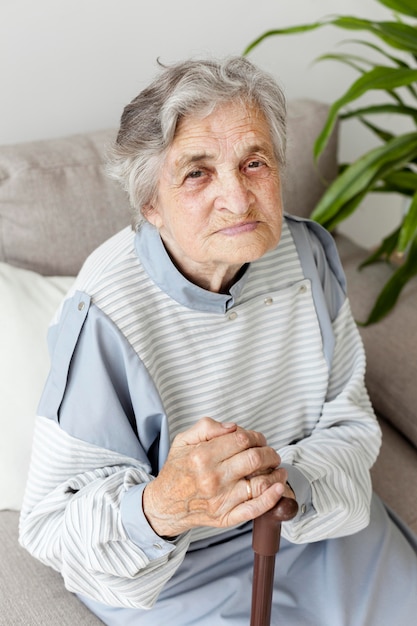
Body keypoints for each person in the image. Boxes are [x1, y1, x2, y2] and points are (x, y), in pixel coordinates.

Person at [19, 56, 417, 626]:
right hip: (179, 574)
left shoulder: (305, 257)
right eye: (197, 173)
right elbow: (52, 522)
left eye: (254, 163)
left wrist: (287, 484)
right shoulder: (106, 311)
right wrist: (166, 506)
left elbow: (348, 422)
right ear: (150, 205)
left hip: (313, 526)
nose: (238, 198)